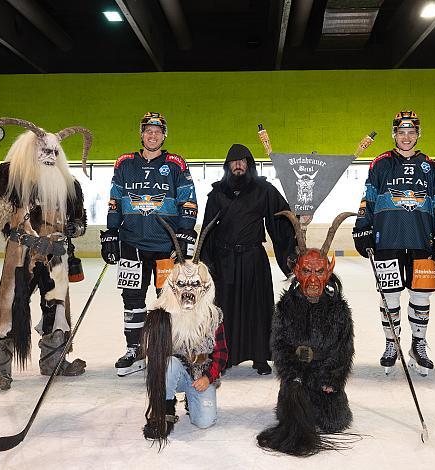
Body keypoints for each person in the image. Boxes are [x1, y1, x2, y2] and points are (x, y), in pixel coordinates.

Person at [0, 118, 92, 391]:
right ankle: (1, 371)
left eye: (54, 152)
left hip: (55, 255)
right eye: (44, 151)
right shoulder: (10, 178)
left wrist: (76, 227)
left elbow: (79, 221)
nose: (49, 156)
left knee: (57, 310)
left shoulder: (68, 186)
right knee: (9, 310)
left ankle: (54, 361)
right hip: (20, 253)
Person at [353, 111, 435, 376]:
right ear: (394, 135)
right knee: (389, 296)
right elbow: (368, 198)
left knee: (421, 295)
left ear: (418, 134)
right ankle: (391, 344)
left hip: (423, 241)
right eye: (401, 132)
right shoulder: (380, 163)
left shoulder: (429, 166)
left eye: (411, 132)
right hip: (387, 239)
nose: (406, 137)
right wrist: (363, 226)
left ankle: (418, 345)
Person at [100, 112, 198, 376]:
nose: (152, 135)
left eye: (157, 131)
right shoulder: (124, 163)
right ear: (141, 134)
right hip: (131, 242)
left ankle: (166, 350)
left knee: (167, 300)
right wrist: (111, 231)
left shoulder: (176, 163)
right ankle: (135, 350)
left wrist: (186, 232)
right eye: (148, 131)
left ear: (164, 135)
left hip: (165, 246)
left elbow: (188, 199)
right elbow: (114, 199)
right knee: (132, 298)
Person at [257, 211, 355, 457]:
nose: (313, 280)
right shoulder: (285, 307)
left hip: (325, 382)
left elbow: (344, 350)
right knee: (294, 412)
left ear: (329, 271)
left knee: (334, 423)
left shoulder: (339, 309)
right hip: (297, 381)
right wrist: (293, 377)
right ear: (296, 272)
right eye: (306, 272)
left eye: (319, 272)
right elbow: (279, 347)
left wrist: (331, 380)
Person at [200, 143, 296, 375]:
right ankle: (226, 356)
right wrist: (207, 263)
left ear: (249, 165)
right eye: (234, 161)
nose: (239, 165)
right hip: (225, 261)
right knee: (225, 309)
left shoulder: (263, 190)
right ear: (227, 165)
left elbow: (282, 218)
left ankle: (260, 356)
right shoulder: (217, 193)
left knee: (259, 308)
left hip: (254, 258)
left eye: (243, 161)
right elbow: (208, 229)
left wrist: (297, 223)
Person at [141, 219, 227, 446]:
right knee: (167, 364)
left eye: (195, 285)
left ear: (205, 287)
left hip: (201, 376)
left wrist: (209, 378)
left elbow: (222, 354)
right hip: (175, 373)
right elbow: (155, 359)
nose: (188, 291)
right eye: (182, 285)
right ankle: (166, 407)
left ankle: (193, 400)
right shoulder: (164, 316)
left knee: (205, 421)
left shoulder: (213, 317)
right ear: (173, 286)